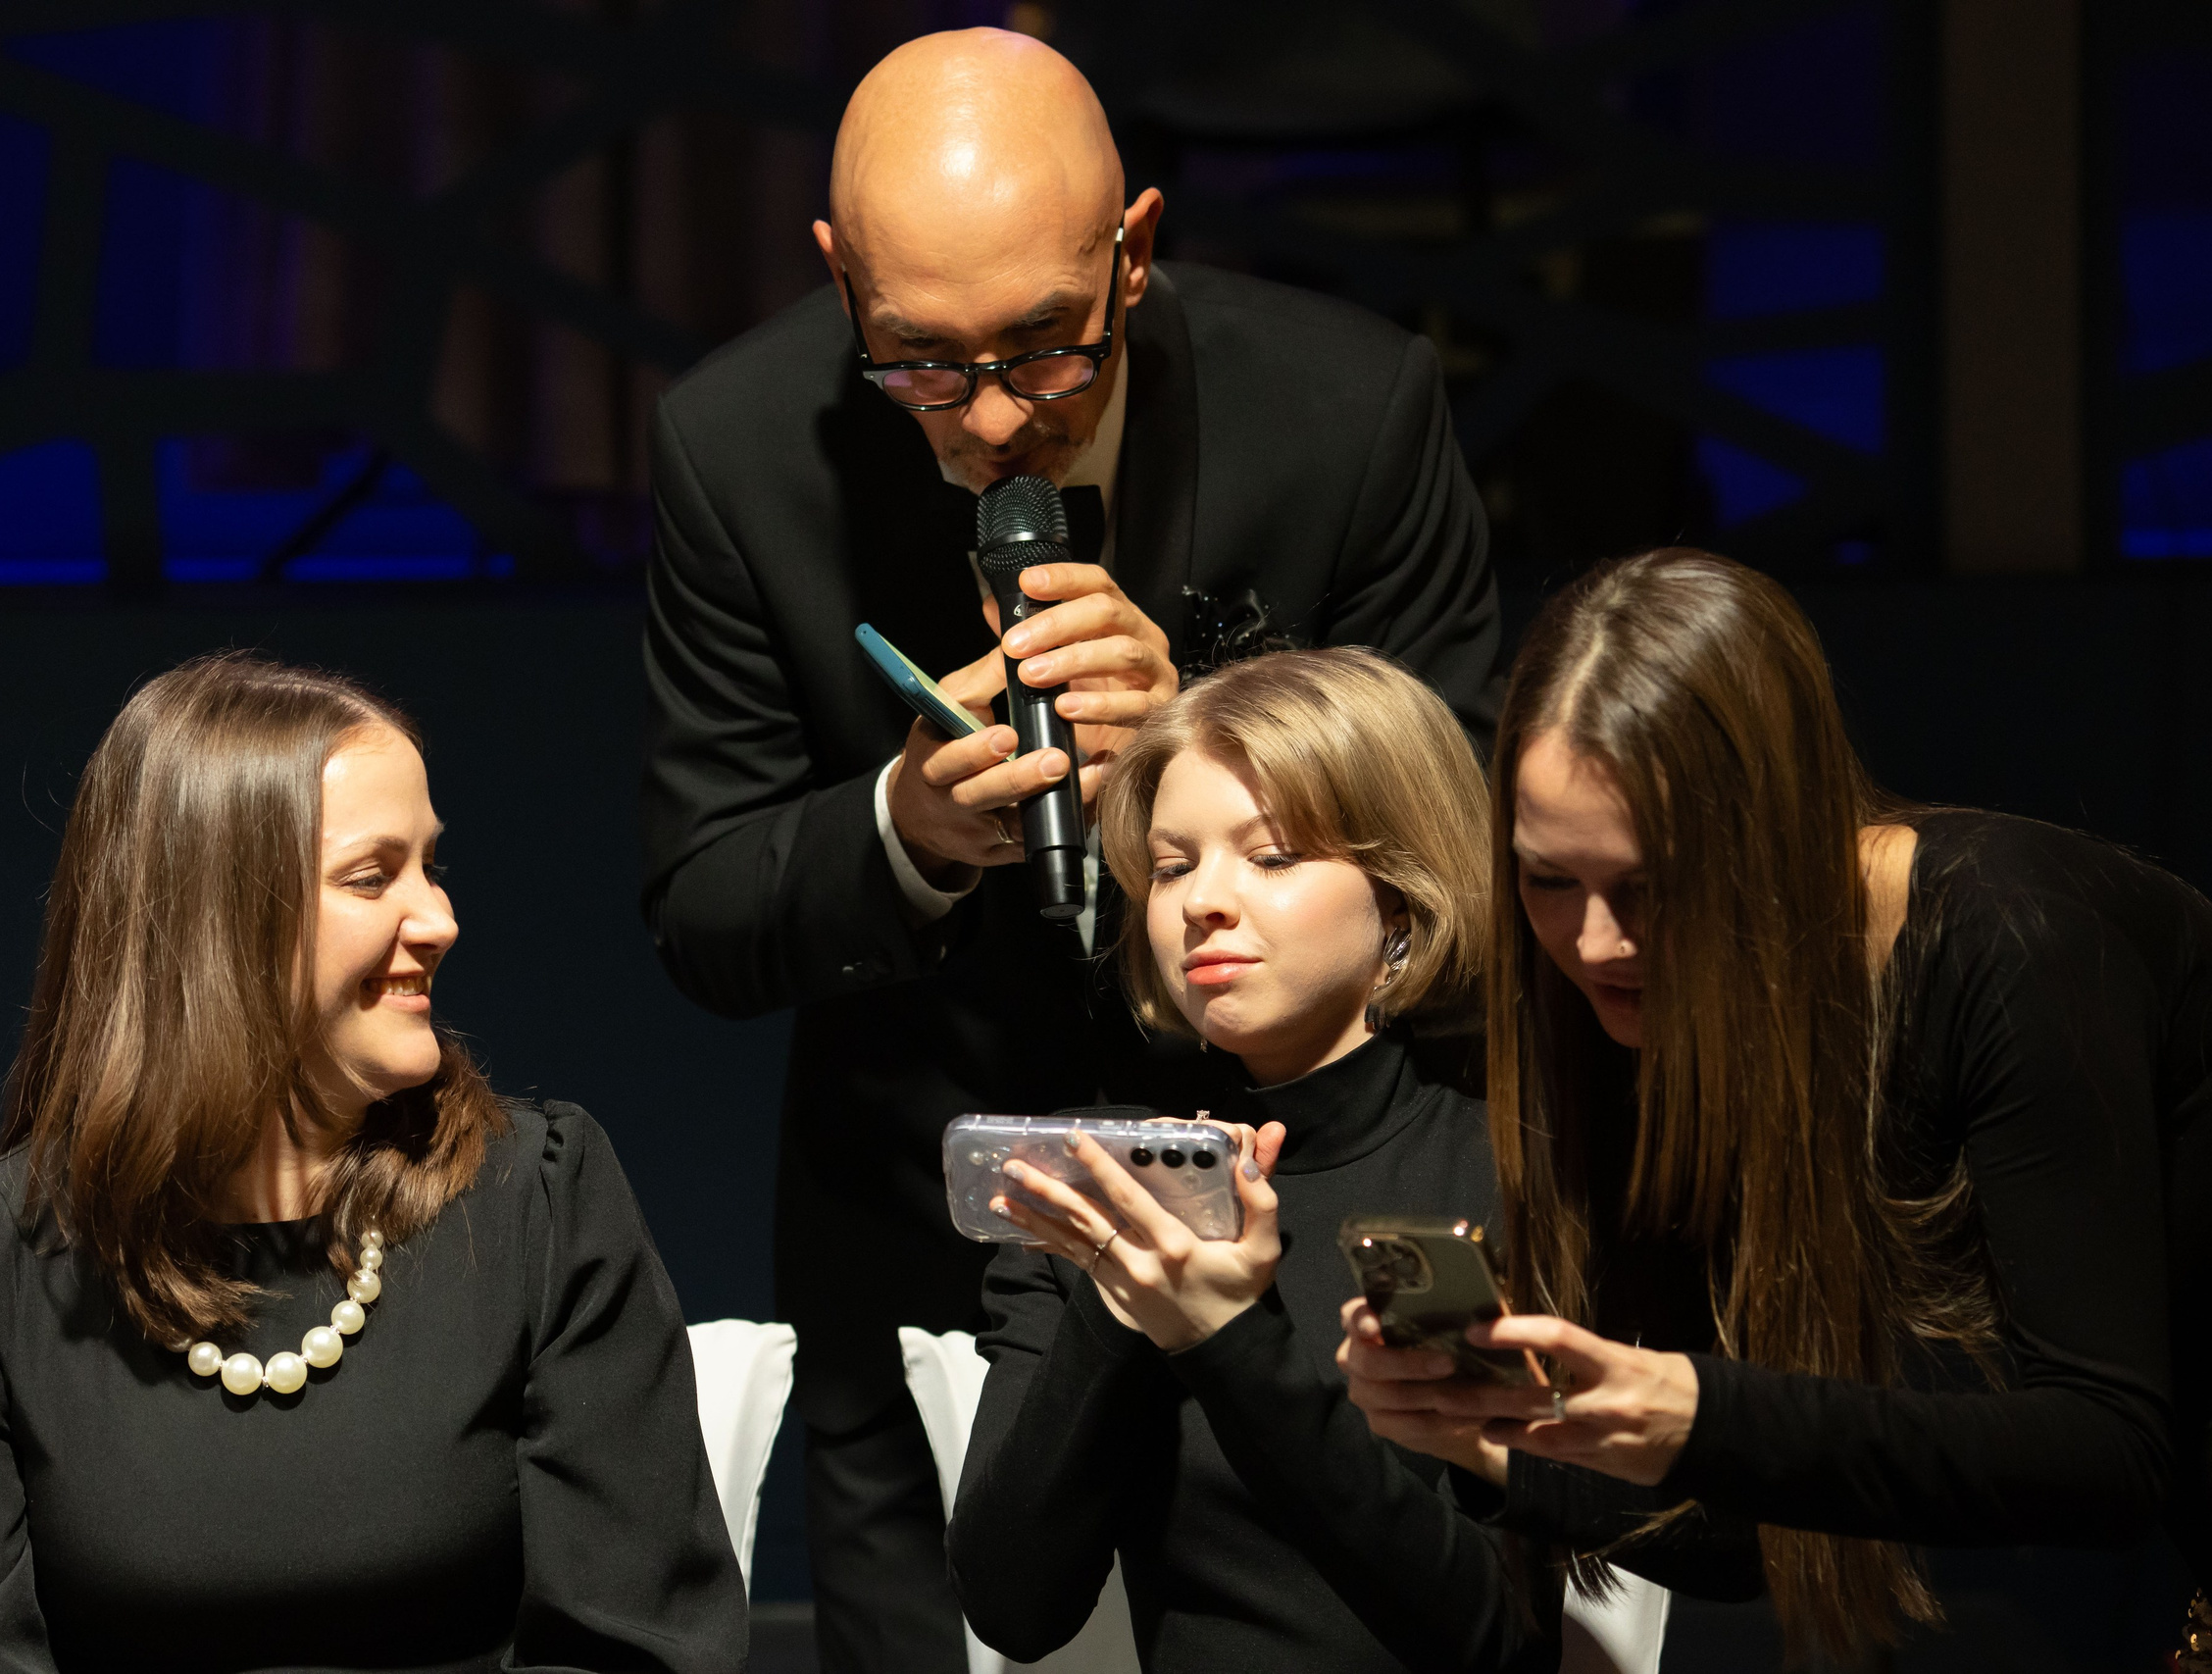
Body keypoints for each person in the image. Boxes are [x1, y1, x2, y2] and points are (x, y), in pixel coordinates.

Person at [640, 28, 1498, 1666]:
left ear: (1136, 254)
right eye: (918, 364)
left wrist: (1212, 740)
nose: (990, 422)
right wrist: (907, 829)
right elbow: (703, 903)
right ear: (840, 286)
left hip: (1303, 1223)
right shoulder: (734, 446)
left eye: (1048, 352)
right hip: (928, 1230)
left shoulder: (1345, 409)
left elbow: (1466, 823)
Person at [1338, 549, 2212, 1663]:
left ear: (1774, 839)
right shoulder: (1634, 1004)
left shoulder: (2017, 939)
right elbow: (1745, 1541)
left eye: (1653, 888)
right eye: (1548, 879)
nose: (1597, 942)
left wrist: (1694, 1412)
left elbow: (2104, 1457)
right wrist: (1498, 1442)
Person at [0, 653, 745, 1674]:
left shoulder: (536, 1197)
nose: (438, 919)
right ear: (212, 920)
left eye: (430, 866)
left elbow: (638, 1645)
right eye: (371, 876)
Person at [944, 649, 1558, 1673]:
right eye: (1174, 866)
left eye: (1268, 857)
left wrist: (1228, 1336)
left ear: (1398, 900)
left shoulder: (1476, 1179)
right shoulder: (1102, 1181)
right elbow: (1012, 1605)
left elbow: (1486, 1636)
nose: (1201, 904)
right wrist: (1120, 1295)